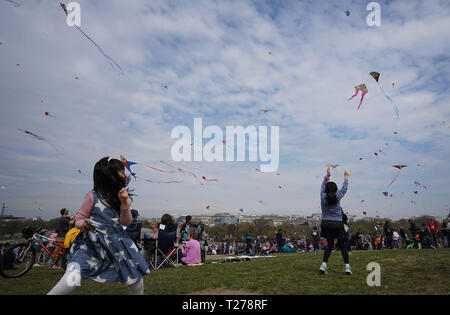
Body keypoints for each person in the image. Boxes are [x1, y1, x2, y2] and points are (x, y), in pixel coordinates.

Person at [48, 157, 149, 295]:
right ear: (107, 174)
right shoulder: (92, 196)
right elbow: (78, 220)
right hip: (91, 243)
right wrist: (84, 224)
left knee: (136, 280)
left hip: (118, 243)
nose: (124, 174)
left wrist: (124, 203)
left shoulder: (123, 196)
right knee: (72, 276)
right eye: (120, 170)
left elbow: (125, 222)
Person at [319, 167, 352, 275]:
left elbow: (322, 186)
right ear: (335, 190)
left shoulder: (323, 197)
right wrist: (346, 177)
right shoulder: (338, 196)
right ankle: (347, 267)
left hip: (326, 223)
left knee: (329, 245)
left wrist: (327, 175)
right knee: (342, 245)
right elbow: (344, 189)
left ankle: (323, 265)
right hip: (337, 224)